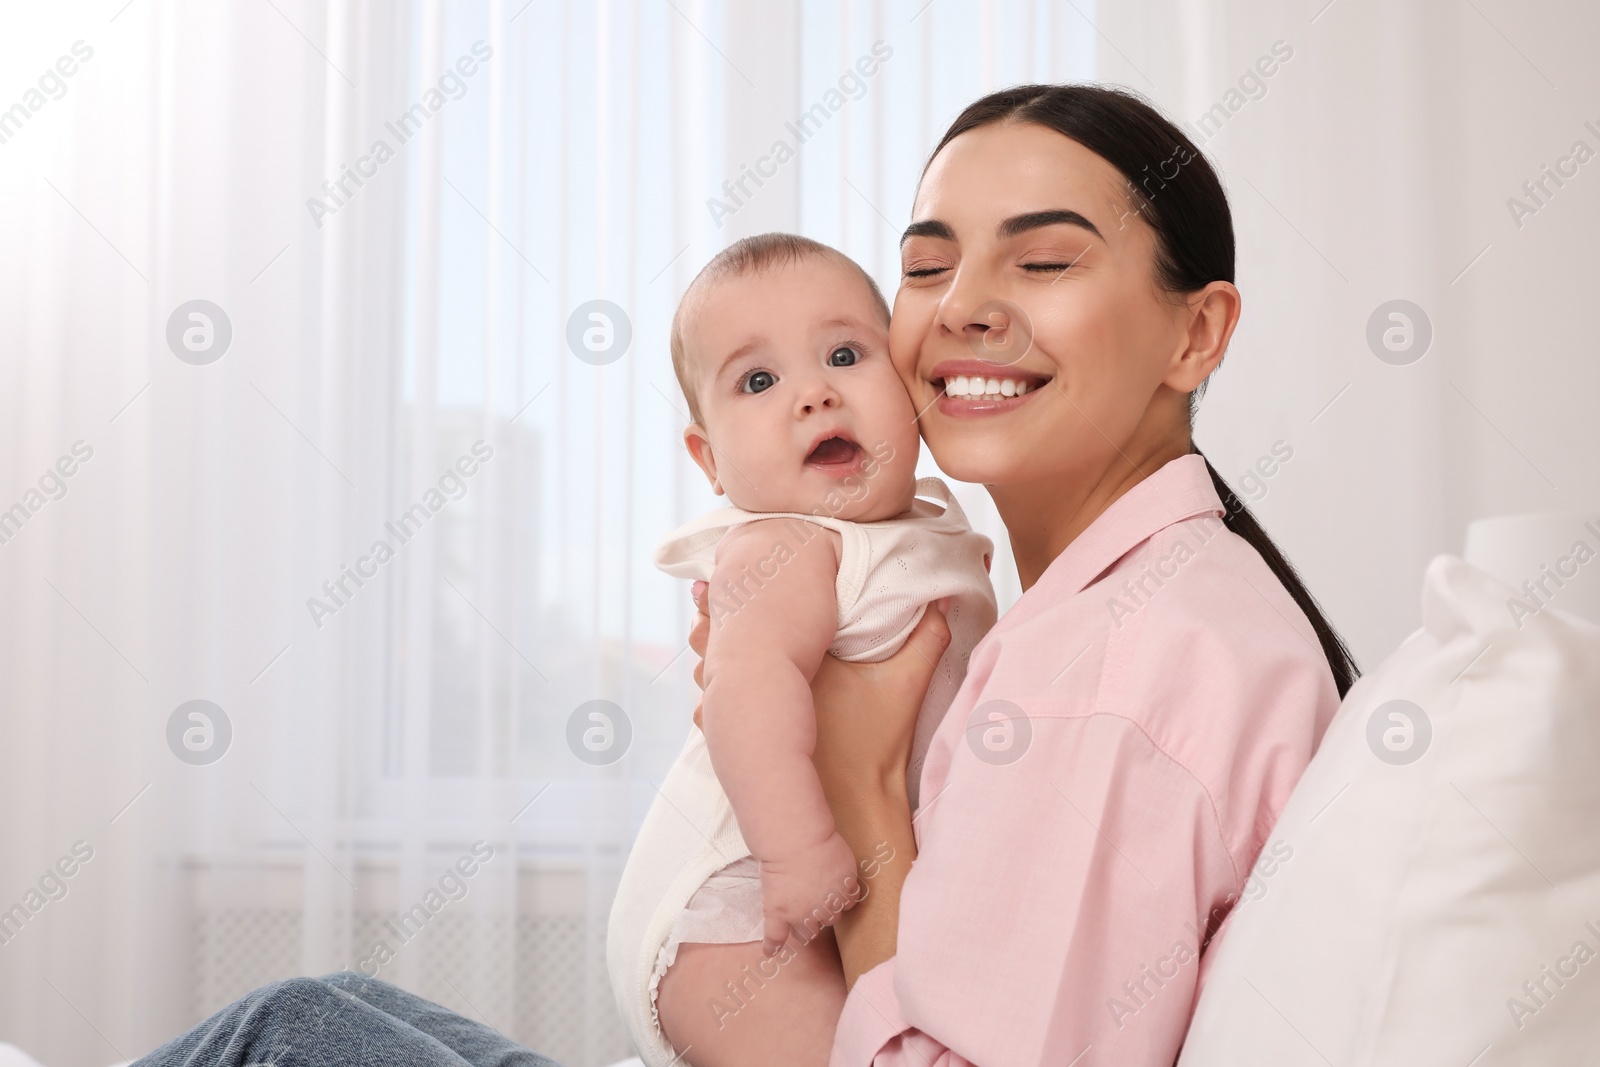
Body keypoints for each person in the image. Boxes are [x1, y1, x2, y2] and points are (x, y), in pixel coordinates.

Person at [130, 82, 1355, 1067]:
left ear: (1194, 332)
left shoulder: (1132, 667)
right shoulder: (1110, 605)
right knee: (327, 1002)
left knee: (287, 1033)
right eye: (928, 268)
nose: (964, 307)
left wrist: (863, 784)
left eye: (1040, 262)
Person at [607, 233, 998, 1067]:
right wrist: (798, 852)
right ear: (710, 460)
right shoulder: (783, 545)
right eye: (758, 380)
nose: (814, 394)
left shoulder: (926, 529)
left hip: (842, 889)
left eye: (846, 354)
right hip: (739, 910)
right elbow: (742, 695)